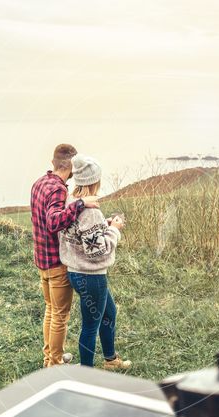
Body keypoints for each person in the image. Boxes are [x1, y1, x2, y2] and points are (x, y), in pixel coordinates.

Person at [59, 154, 131, 370]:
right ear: (94, 180)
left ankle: (111, 360)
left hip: (75, 272)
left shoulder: (71, 202)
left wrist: (104, 225)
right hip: (91, 277)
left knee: (109, 313)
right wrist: (114, 230)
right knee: (91, 326)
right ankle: (86, 374)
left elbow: (82, 235)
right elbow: (98, 252)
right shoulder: (91, 211)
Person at [30, 144, 100, 367]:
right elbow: (53, 222)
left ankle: (50, 356)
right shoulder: (59, 189)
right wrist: (81, 203)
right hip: (56, 261)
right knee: (60, 315)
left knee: (50, 310)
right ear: (69, 166)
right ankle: (55, 363)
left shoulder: (40, 182)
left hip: (41, 259)